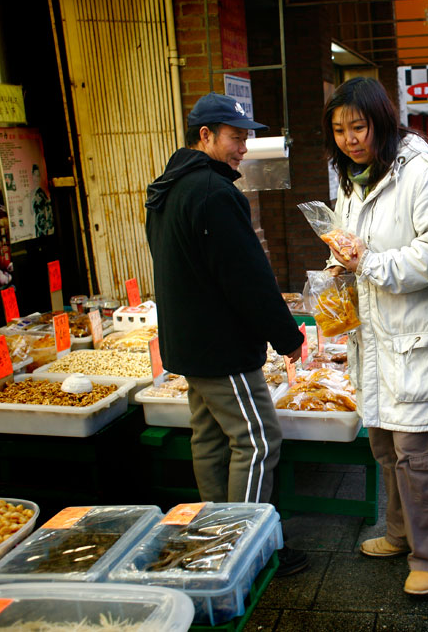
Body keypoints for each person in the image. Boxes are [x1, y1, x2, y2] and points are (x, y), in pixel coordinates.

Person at [320, 77, 428, 597]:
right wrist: (340, 267)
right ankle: (398, 533)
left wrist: (369, 263)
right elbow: (353, 244)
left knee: (420, 458)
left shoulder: (421, 172)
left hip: (418, 338)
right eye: (340, 130)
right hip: (375, 338)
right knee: (386, 446)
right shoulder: (351, 179)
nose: (350, 138)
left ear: (382, 122)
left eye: (359, 126)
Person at [145, 92, 307, 576]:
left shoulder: (166, 188)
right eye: (236, 138)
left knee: (211, 438)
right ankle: (248, 549)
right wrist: (286, 336)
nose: (243, 148)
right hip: (221, 348)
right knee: (258, 441)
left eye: (246, 138)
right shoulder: (214, 193)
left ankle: (213, 540)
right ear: (205, 136)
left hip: (190, 344)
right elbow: (247, 276)